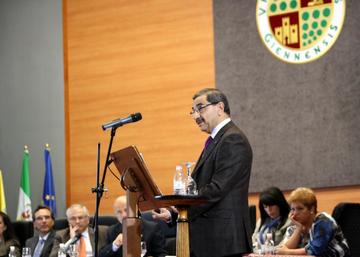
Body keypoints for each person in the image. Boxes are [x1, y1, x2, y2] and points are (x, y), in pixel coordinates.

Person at [153, 88, 253, 257]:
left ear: (220, 107)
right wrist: (173, 213)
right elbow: (199, 189)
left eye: (201, 108)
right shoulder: (217, 140)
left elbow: (216, 189)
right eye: (193, 111)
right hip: (211, 241)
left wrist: (181, 209)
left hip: (223, 241)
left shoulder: (232, 139)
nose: (196, 116)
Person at [276, 187, 350, 257]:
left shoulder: (324, 221)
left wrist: (287, 252)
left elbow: (314, 251)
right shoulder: (294, 226)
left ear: (312, 209)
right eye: (293, 209)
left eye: (300, 209)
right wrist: (298, 229)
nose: (295, 213)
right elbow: (282, 250)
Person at [99, 196, 167, 257]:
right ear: (115, 215)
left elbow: (161, 254)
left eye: (126, 210)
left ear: (135, 209)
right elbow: (102, 255)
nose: (123, 215)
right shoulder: (111, 231)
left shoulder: (152, 228)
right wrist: (115, 244)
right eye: (119, 212)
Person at [252, 187, 291, 251]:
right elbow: (253, 240)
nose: (268, 210)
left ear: (279, 203)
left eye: (271, 205)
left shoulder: (290, 221)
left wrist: (266, 250)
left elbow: (284, 246)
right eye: (265, 207)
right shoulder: (261, 221)